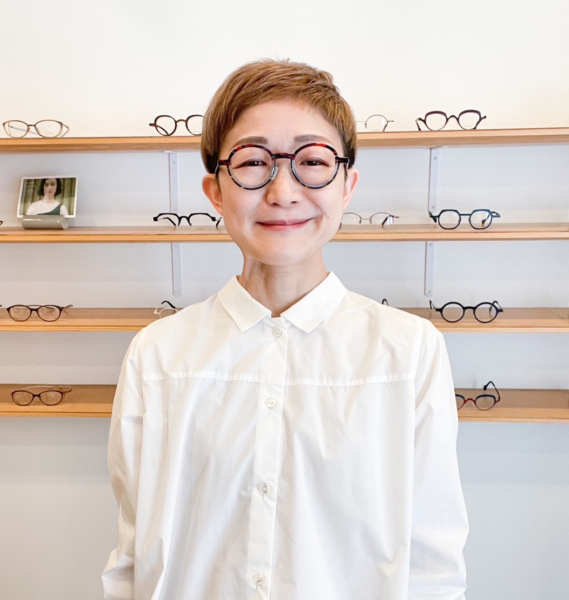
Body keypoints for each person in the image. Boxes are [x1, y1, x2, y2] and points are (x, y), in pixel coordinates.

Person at [102, 60, 469, 600]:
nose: (283, 191)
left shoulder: (409, 352)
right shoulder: (157, 356)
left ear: (347, 185)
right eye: (253, 162)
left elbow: (433, 566)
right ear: (215, 191)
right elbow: (133, 559)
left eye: (312, 161)